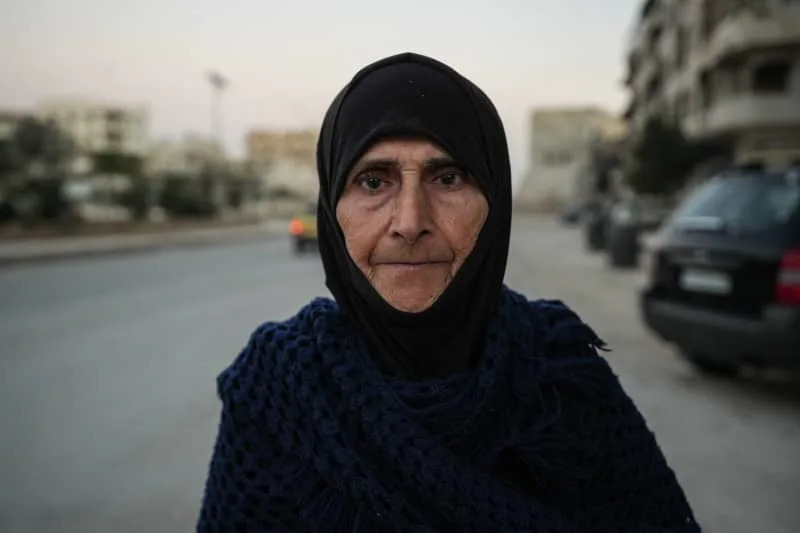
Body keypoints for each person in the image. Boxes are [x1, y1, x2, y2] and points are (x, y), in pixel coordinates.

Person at [197, 52, 699, 532]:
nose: (411, 222)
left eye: (449, 177)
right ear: (332, 209)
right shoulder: (278, 389)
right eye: (373, 182)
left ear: (494, 200)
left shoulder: (562, 375)